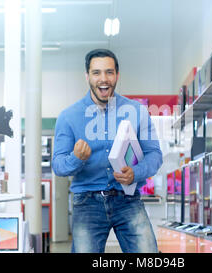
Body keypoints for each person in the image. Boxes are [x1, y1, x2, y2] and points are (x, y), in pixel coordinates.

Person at [52, 48, 163, 253]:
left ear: (117, 75)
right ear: (87, 76)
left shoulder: (138, 112)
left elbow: (155, 154)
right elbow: (58, 165)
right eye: (96, 72)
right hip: (87, 202)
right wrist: (76, 159)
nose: (103, 79)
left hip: (128, 199)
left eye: (109, 72)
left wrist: (135, 173)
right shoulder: (68, 116)